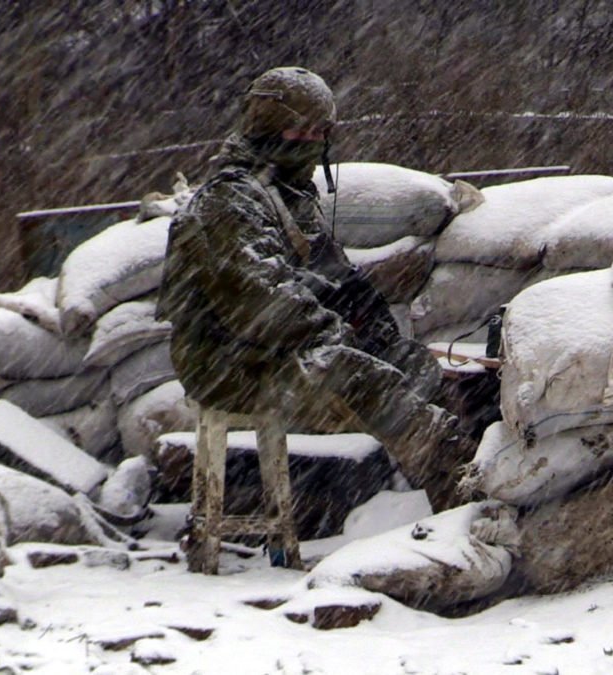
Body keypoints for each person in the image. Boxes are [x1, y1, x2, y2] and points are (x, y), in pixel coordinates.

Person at [158, 67, 473, 513]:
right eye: (299, 129)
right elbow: (261, 302)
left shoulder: (291, 199)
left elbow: (335, 281)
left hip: (279, 352)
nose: (311, 141)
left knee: (411, 364)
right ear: (265, 127)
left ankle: (463, 481)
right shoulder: (228, 202)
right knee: (351, 370)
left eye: (320, 131)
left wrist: (373, 331)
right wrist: (336, 337)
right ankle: (458, 487)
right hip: (225, 362)